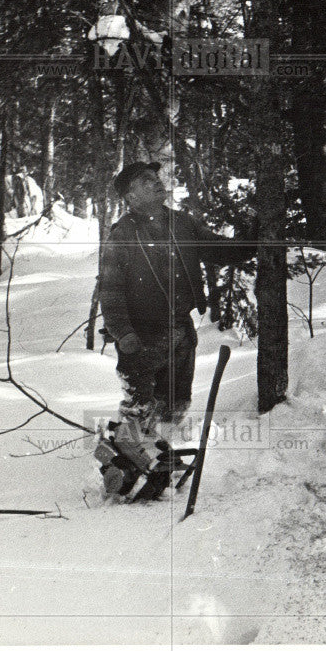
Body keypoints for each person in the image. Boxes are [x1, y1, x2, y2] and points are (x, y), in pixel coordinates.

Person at [95, 161, 255, 498]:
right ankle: (122, 474)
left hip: (181, 332)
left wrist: (255, 241)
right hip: (141, 338)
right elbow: (110, 290)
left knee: (176, 404)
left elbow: (216, 250)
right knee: (140, 410)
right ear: (130, 195)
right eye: (146, 180)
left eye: (156, 177)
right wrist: (123, 332)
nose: (156, 183)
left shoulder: (181, 223)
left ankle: (158, 466)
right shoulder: (122, 234)